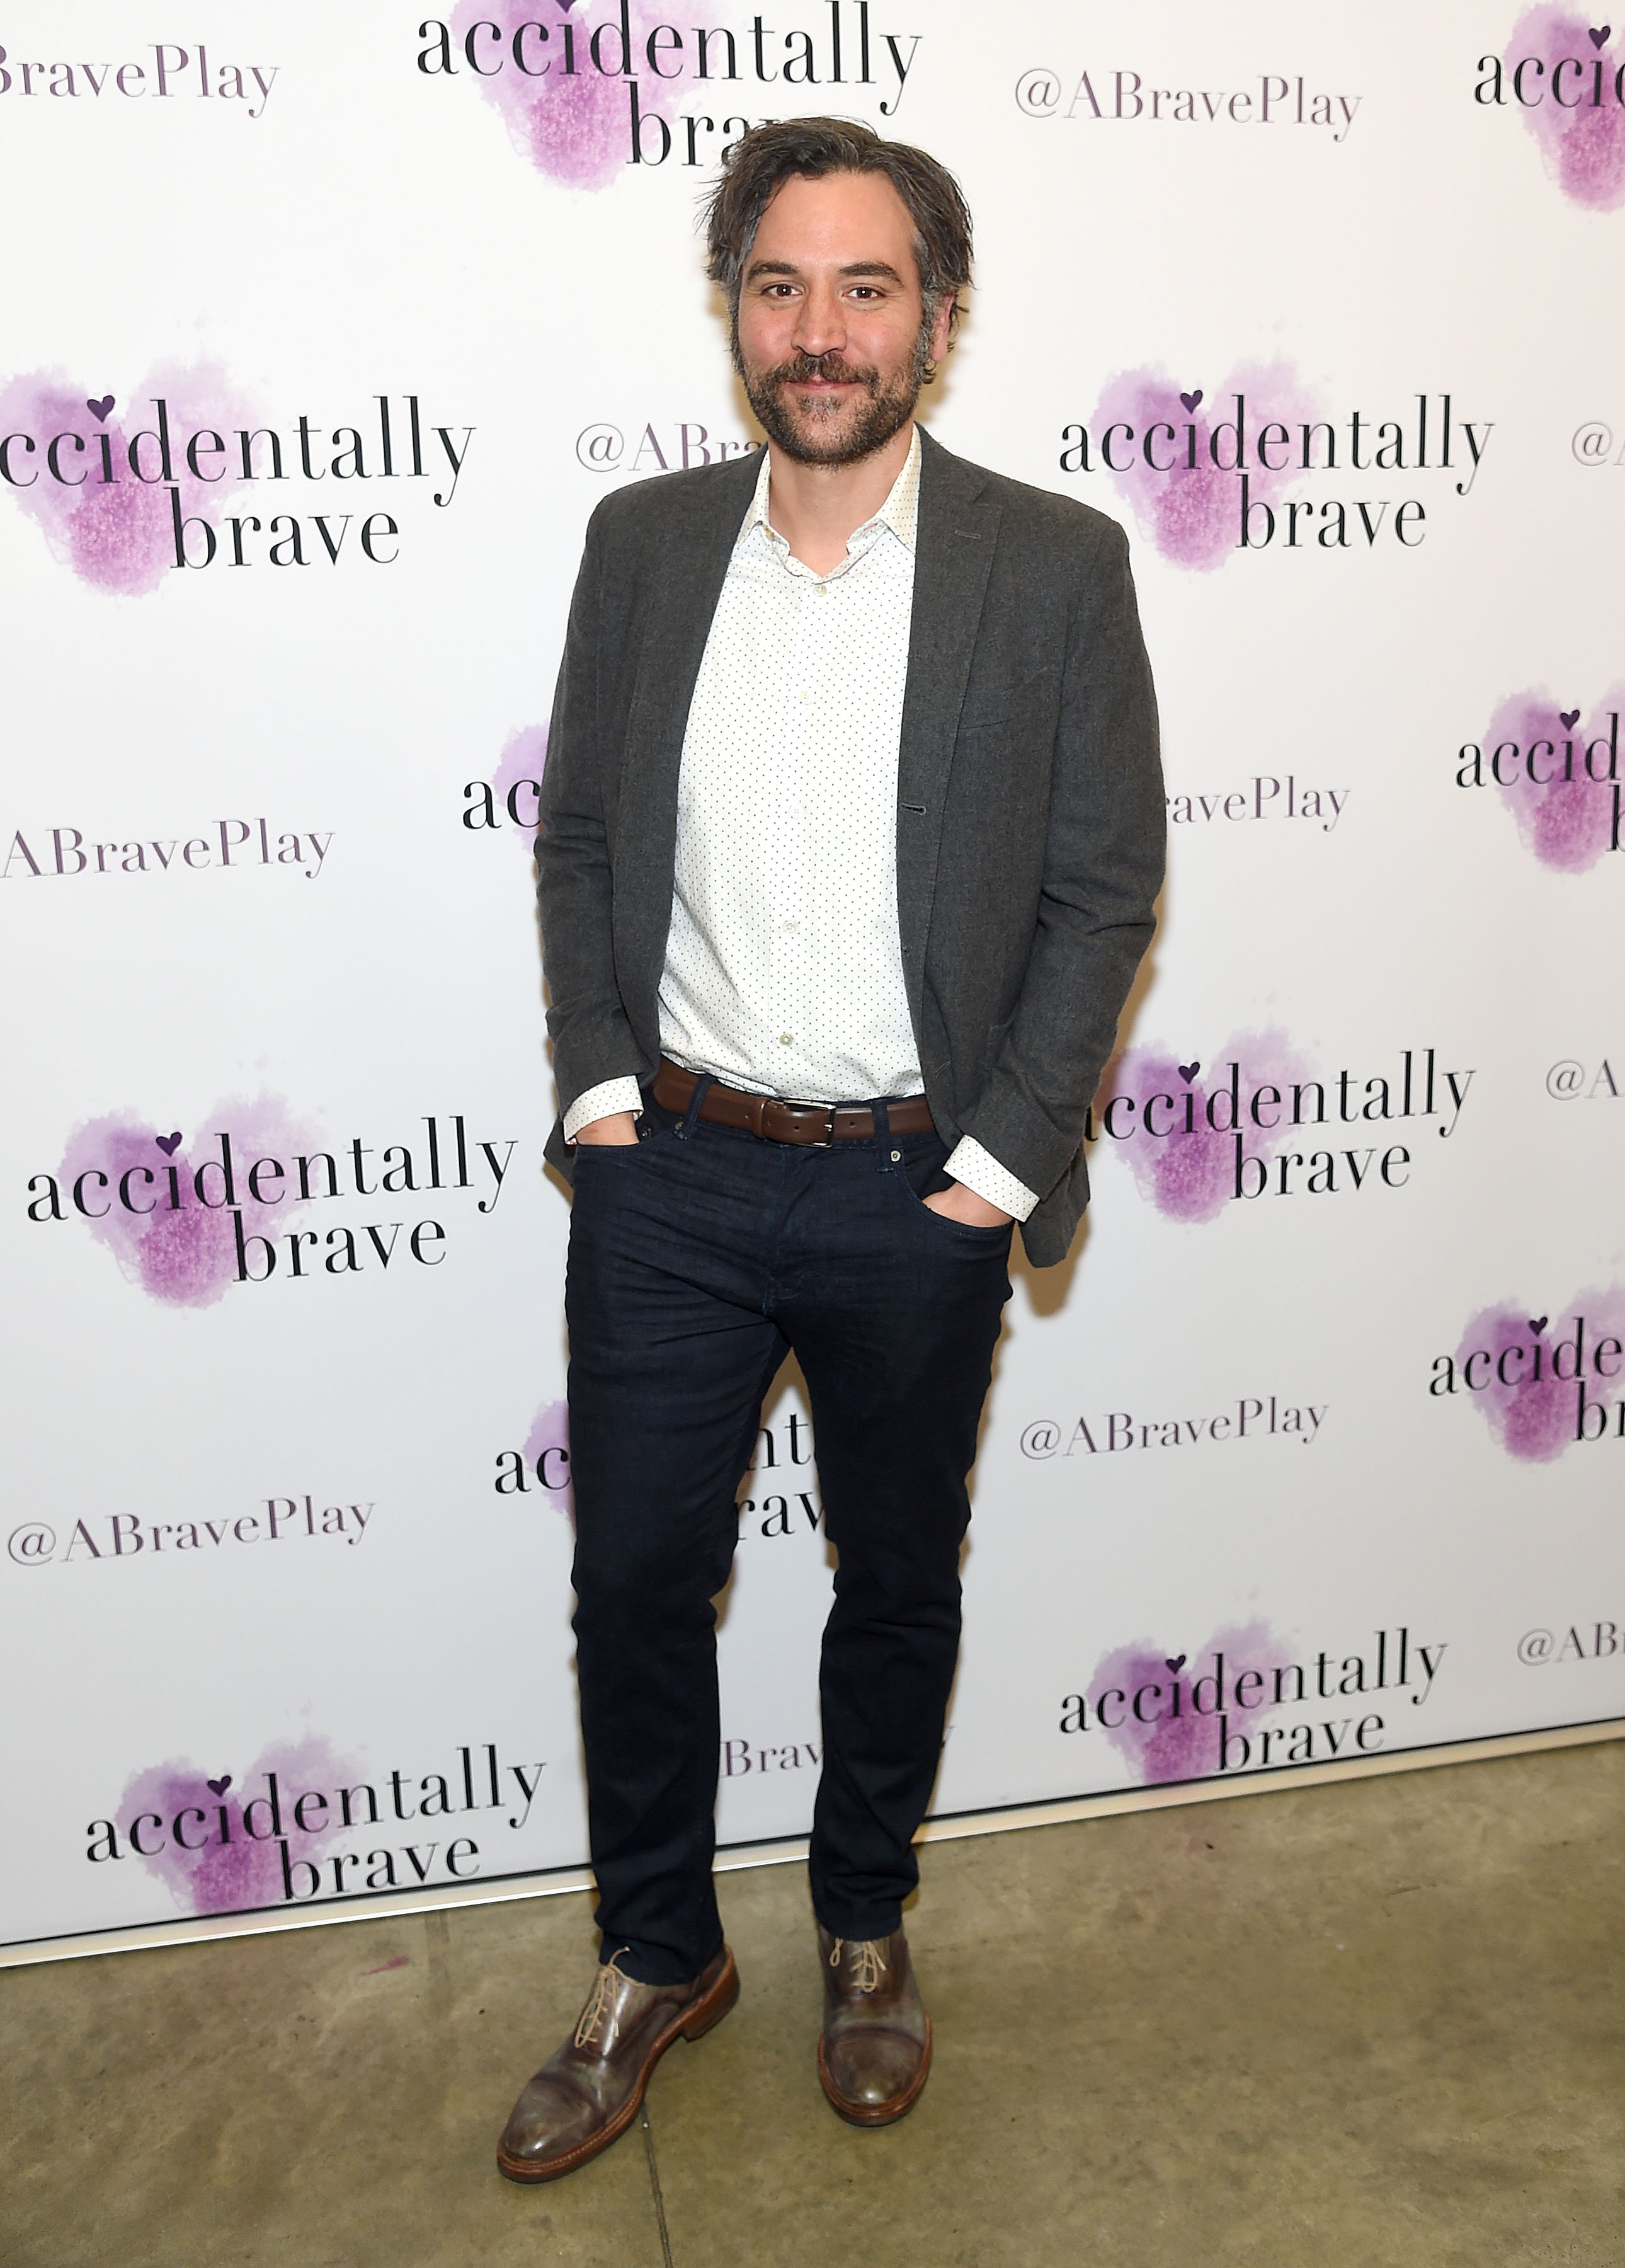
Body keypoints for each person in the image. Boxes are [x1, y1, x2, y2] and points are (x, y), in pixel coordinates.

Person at [498, 116, 1163, 2183]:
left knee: (892, 1581)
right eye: (778, 284)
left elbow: (1099, 880)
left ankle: (861, 1926)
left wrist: (999, 1156)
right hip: (673, 1174)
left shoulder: (1050, 569)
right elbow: (588, 833)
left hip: (910, 1190)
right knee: (629, 1582)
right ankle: (653, 1952)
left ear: (937, 323)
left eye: (865, 287)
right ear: (734, 315)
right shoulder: (638, 543)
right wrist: (602, 1098)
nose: (819, 329)